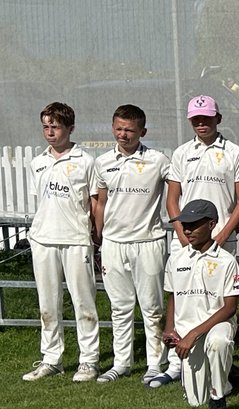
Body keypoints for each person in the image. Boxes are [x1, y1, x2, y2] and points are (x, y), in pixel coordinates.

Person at [158, 95, 239, 387]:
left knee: (220, 302)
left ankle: (224, 361)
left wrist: (221, 235)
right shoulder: (181, 153)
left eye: (206, 117)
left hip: (221, 241)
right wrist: (182, 233)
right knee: (183, 298)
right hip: (186, 240)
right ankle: (176, 363)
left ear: (217, 119)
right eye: (196, 119)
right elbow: (173, 199)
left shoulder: (235, 153)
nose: (201, 123)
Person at [91, 104, 174, 384]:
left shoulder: (159, 160)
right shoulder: (102, 162)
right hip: (114, 244)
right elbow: (101, 202)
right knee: (120, 307)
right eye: (118, 128)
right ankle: (121, 363)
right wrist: (99, 238)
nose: (123, 134)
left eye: (129, 130)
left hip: (148, 241)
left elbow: (176, 193)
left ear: (142, 131)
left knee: (152, 307)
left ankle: (155, 362)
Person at [22, 102, 101, 382]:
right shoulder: (38, 161)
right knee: (48, 303)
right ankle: (51, 358)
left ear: (70, 128)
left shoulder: (86, 161)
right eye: (46, 126)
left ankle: (89, 361)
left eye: (55, 126)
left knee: (83, 302)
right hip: (43, 239)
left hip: (76, 239)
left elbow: (94, 203)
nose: (50, 132)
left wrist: (95, 237)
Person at [163, 200, 239, 409]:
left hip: (219, 324)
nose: (187, 230)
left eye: (194, 225)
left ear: (211, 224)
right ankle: (227, 376)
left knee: (218, 342)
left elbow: (230, 307)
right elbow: (172, 296)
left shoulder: (227, 261)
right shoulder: (176, 259)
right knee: (194, 401)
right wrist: (170, 329)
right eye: (184, 225)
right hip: (188, 331)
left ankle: (218, 400)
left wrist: (193, 334)